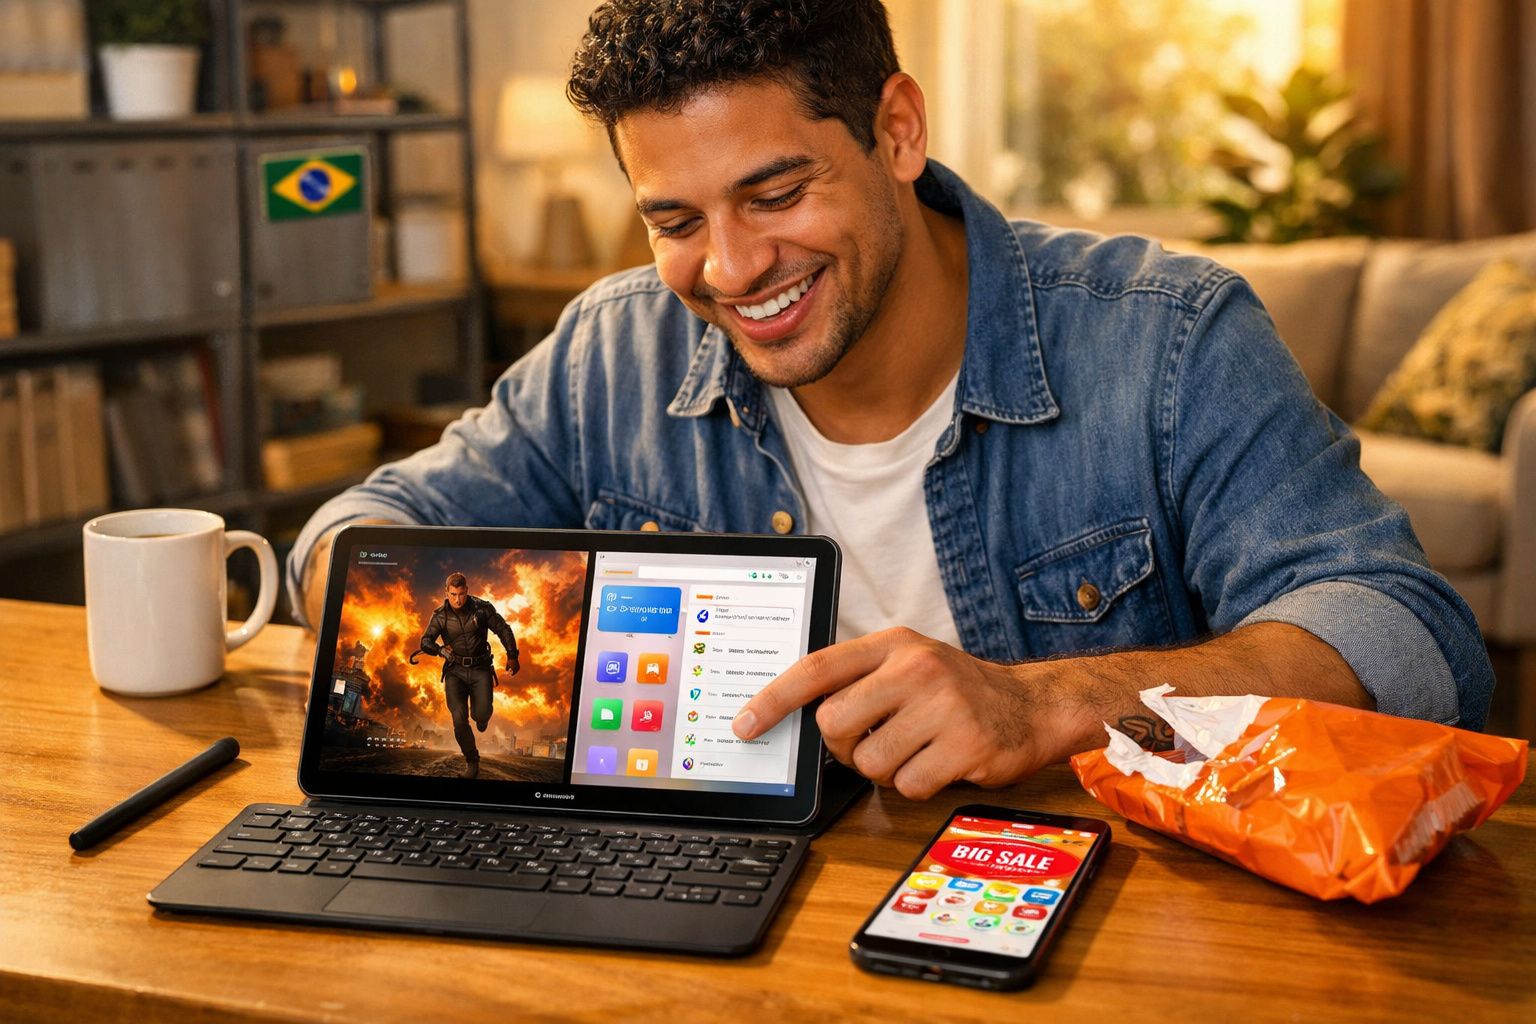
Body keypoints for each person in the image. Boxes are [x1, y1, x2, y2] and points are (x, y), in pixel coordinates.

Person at [289, 0, 1492, 800]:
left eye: (775, 194)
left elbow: (1411, 633)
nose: (730, 269)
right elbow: (361, 527)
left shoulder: (1167, 338)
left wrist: (1047, 703)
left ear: (898, 130)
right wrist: (376, 597)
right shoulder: (615, 348)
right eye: (675, 219)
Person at [419, 572, 520, 779]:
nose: (458, 599)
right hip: (454, 671)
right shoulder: (440, 616)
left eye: (462, 594)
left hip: (480, 668)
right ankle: (472, 762)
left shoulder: (482, 608)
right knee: (459, 719)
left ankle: (481, 718)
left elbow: (503, 629)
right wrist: (440, 650)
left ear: (467, 590)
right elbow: (425, 641)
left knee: (481, 715)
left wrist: (512, 655)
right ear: (446, 593)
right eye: (453, 594)